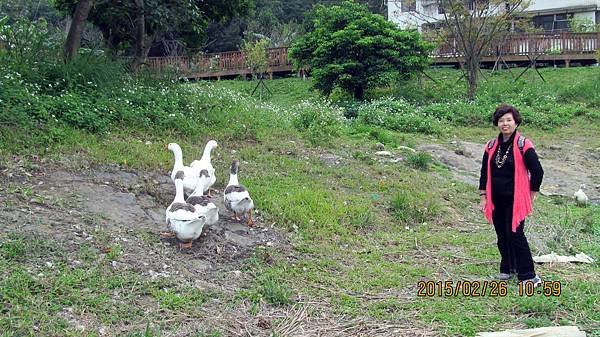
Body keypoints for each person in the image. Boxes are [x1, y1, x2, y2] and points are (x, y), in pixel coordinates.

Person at [478, 104, 544, 286]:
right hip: (496, 198)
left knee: (516, 234)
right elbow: (484, 172)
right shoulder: (491, 146)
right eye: (501, 120)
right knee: (502, 235)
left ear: (516, 122)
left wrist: (532, 192)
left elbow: (537, 171)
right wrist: (483, 196)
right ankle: (508, 268)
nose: (505, 124)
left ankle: (529, 275)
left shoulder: (524, 145)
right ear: (497, 123)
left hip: (516, 199)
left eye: (508, 120)